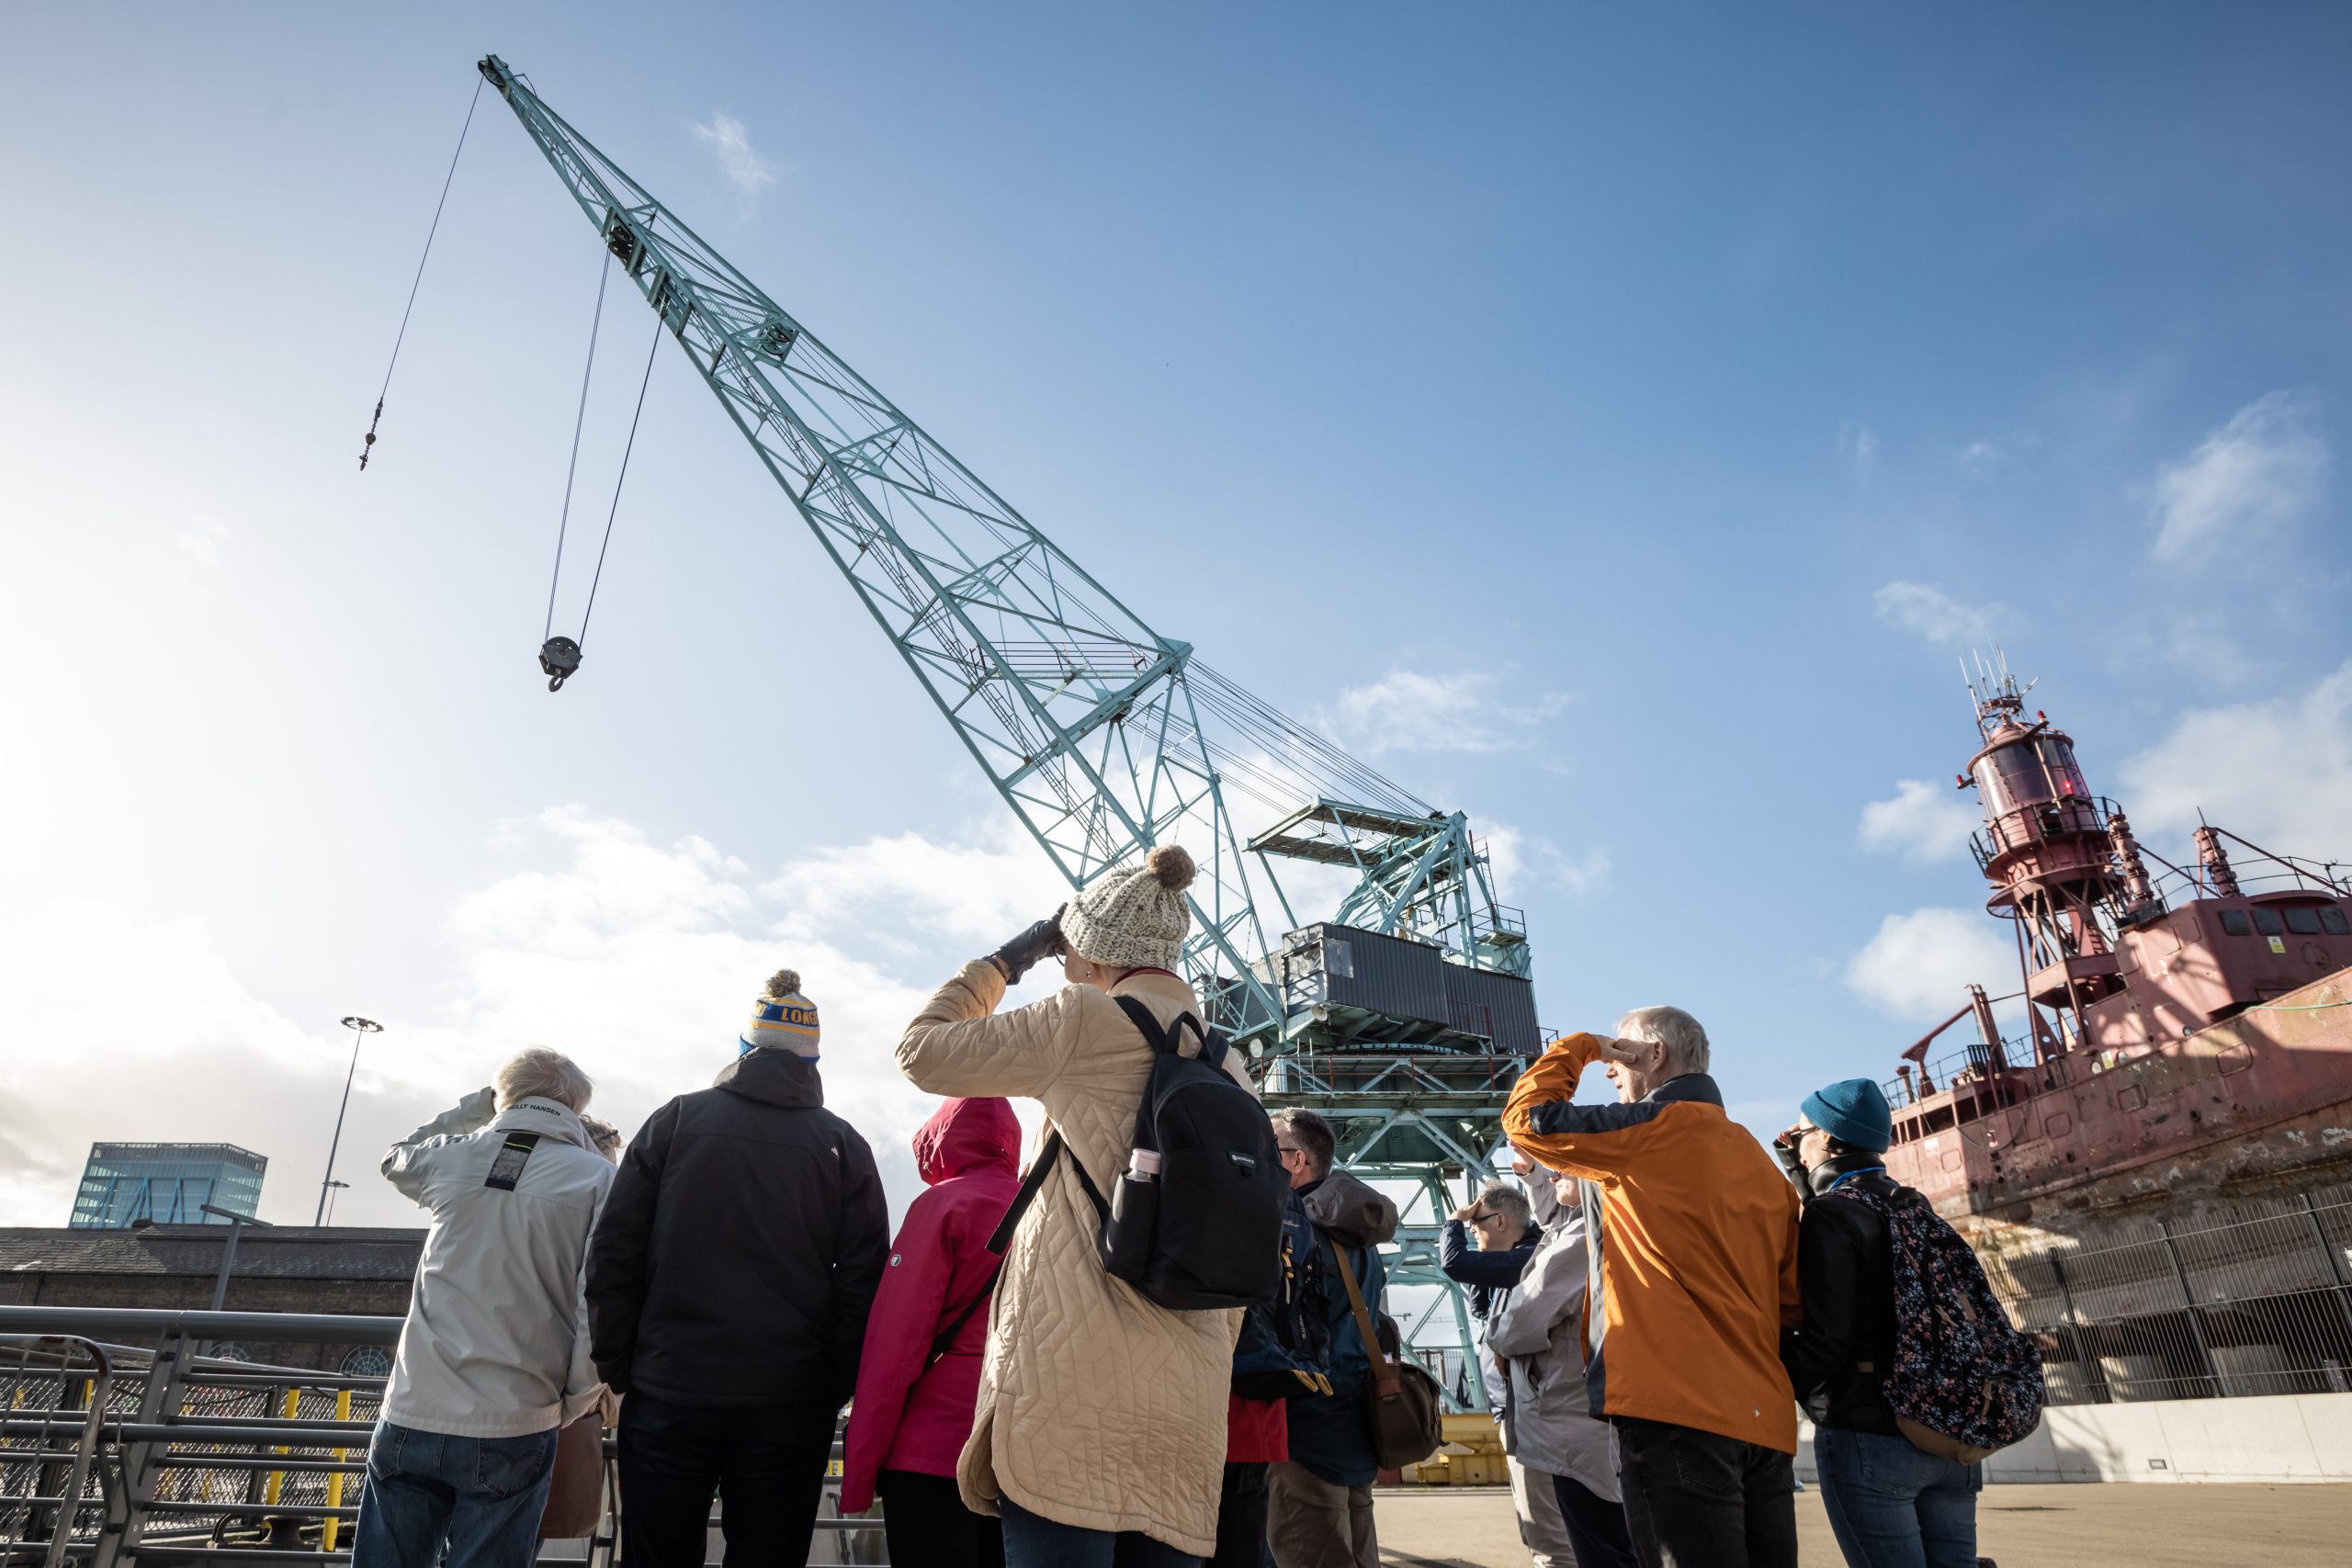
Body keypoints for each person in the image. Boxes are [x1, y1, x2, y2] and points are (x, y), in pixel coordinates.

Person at [896, 844, 1246, 1566]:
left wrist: (1006, 960)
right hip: (1189, 1392)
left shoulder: (1082, 1020)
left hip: (1069, 1386)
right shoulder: (1227, 1059)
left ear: (1087, 946)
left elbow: (922, 1051)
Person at [585, 968, 889, 1568]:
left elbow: (614, 1252)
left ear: (744, 1048)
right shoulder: (844, 1146)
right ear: (814, 1057)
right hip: (789, 1402)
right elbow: (863, 1283)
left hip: (670, 1388)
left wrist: (623, 1364)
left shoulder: (676, 1121)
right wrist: (831, 1385)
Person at [1501, 1008, 1804, 1568]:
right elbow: (1789, 1303)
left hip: (1675, 1411)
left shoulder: (1645, 1132)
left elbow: (1526, 1120)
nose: (1612, 1068)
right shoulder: (1762, 1165)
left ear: (1655, 1055)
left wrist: (1582, 1047)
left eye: (1622, 1053)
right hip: (1765, 1421)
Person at [356, 1049, 615, 1568]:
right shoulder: (598, 1181)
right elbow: (598, 1304)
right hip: (516, 1416)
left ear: (504, 1095)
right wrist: (576, 1397)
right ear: (576, 1103)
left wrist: (477, 1107)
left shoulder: (453, 1155)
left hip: (413, 1407)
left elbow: (395, 1156)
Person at [1781, 1078, 1984, 1568]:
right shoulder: (1913, 1207)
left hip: (1869, 1434)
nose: (1797, 1142)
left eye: (1803, 1132)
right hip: (1947, 1432)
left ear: (1828, 1138)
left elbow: (1826, 1341)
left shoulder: (1832, 1216)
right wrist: (1798, 1166)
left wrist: (1766, 1380)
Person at [840, 1096, 1023, 1568]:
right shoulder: (1048, 1210)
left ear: (940, 1138)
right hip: (1022, 1456)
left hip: (933, 1454)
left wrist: (859, 1476)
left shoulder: (943, 1205)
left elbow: (894, 1350)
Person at [1487, 1171, 1636, 1568]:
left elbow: (1524, 1319)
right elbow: (1548, 1208)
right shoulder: (1601, 1225)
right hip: (1596, 1421)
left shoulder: (1581, 1235)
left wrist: (1497, 1338)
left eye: (1562, 1165)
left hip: (1573, 1424)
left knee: (1596, 1546)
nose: (1551, 1173)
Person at [1266, 1108, 1393, 1568]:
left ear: (1297, 1161)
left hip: (1305, 1433)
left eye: (1270, 1148)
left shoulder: (1294, 1231)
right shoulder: (1358, 1235)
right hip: (1356, 1424)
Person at [1445, 1168, 1574, 1568]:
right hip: (1516, 1407)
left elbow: (1453, 1263)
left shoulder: (1530, 1257)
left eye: (1477, 1225)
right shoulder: (1510, 1264)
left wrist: (1452, 1224)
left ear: (1500, 1222)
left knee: (1547, 1530)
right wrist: (1479, 1261)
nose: (1473, 1231)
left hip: (1534, 1409)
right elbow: (1481, 1311)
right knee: (1539, 1525)